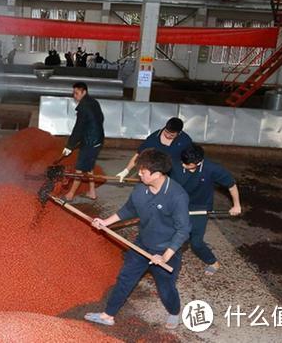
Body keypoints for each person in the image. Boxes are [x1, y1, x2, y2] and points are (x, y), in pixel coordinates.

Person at [85, 149, 191, 329]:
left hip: (165, 251)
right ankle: (108, 315)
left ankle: (174, 312)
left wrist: (165, 256)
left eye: (143, 171)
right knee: (125, 278)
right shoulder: (141, 189)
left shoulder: (177, 196)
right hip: (142, 245)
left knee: (166, 288)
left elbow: (184, 230)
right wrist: (105, 222)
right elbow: (128, 210)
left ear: (157, 174)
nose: (139, 173)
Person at [171, 144, 242, 275]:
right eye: (183, 163)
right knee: (175, 235)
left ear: (198, 162)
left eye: (188, 165)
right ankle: (177, 252)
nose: (184, 166)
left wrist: (236, 205)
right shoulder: (177, 164)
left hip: (200, 207)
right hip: (180, 204)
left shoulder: (212, 169)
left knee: (196, 243)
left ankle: (213, 262)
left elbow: (231, 185)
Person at [61, 82, 104, 201]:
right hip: (98, 139)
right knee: (89, 166)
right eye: (73, 93)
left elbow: (78, 128)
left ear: (84, 92)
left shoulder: (83, 107)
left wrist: (69, 145)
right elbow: (99, 119)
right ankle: (92, 192)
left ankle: (70, 195)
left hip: (90, 141)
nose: (74, 95)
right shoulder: (94, 102)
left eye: (77, 93)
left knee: (80, 168)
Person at [116, 117, 192, 182]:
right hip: (153, 174)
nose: (168, 136)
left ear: (179, 133)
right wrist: (126, 171)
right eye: (166, 132)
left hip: (175, 176)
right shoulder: (154, 138)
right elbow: (139, 155)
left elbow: (191, 159)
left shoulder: (185, 140)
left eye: (172, 135)